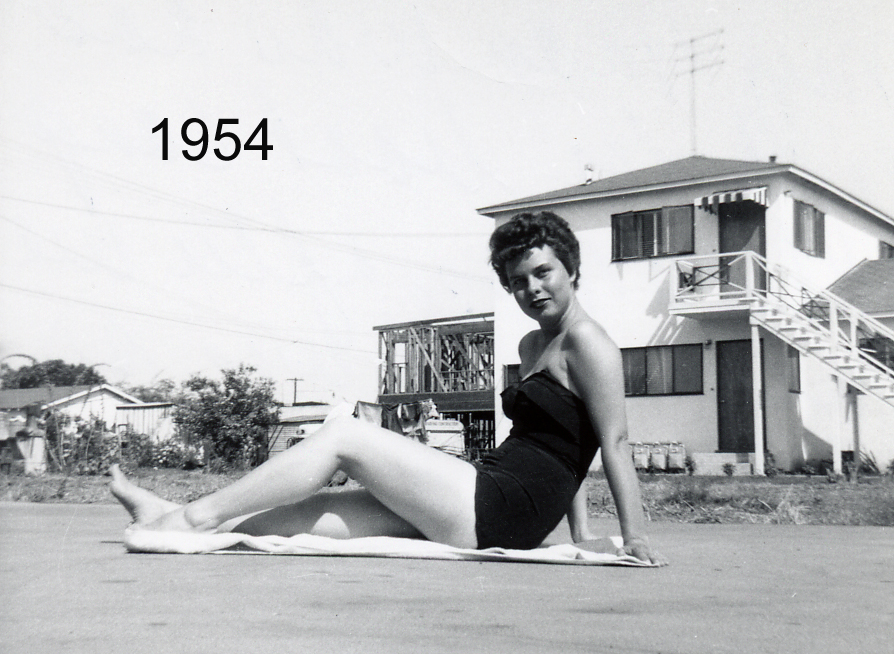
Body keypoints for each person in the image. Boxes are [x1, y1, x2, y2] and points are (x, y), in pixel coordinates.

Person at [111, 211, 665, 565]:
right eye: (518, 281)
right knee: (312, 515)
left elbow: (610, 443)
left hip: (499, 506)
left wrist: (633, 536)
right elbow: (560, 441)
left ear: (571, 269)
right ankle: (172, 513)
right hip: (489, 495)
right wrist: (579, 534)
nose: (532, 289)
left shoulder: (589, 341)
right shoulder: (531, 344)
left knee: (345, 435)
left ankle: (193, 520)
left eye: (544, 272)